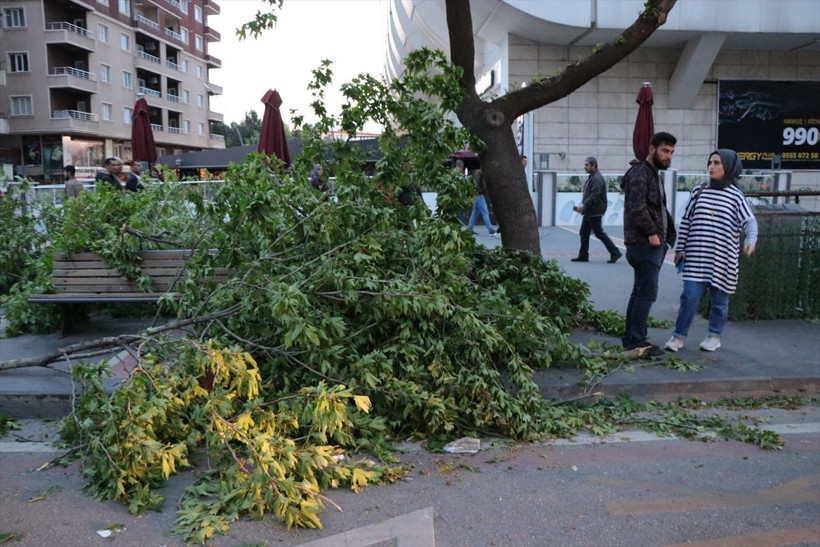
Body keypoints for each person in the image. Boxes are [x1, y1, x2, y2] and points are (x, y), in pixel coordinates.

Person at [664, 149, 758, 353]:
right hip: (696, 258)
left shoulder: (736, 196)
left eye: (717, 163)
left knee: (719, 302)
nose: (711, 167)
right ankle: (678, 336)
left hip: (722, 260)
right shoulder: (698, 191)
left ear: (729, 167)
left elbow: (750, 221)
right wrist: (681, 248)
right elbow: (687, 220)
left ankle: (714, 336)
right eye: (710, 162)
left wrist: (750, 239)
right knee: (689, 298)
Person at [621, 132, 677, 355]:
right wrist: (653, 233)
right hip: (644, 244)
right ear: (652, 149)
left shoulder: (651, 173)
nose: (668, 156)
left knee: (640, 291)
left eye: (671, 152)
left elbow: (657, 207)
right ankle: (637, 341)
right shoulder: (641, 172)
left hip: (649, 244)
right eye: (665, 151)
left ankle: (632, 338)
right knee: (647, 293)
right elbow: (637, 207)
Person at [571, 157, 622, 263]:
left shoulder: (597, 178)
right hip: (590, 210)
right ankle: (583, 255)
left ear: (594, 165)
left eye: (587, 165)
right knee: (584, 233)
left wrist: (584, 206)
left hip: (595, 211)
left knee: (598, 233)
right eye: (585, 165)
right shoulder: (593, 177)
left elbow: (595, 194)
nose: (585, 167)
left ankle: (615, 252)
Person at [466, 169, 497, 235]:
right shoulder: (480, 173)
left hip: (476, 195)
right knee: (485, 212)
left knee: (474, 213)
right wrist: (480, 192)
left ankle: (469, 228)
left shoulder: (477, 173)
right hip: (479, 195)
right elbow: (477, 184)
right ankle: (490, 229)